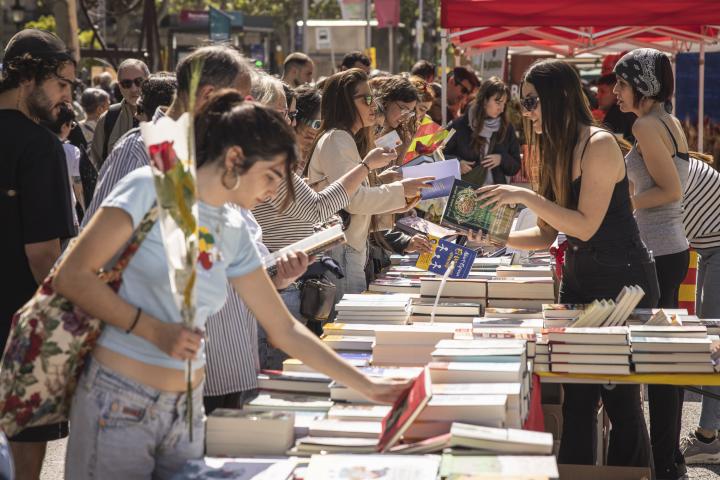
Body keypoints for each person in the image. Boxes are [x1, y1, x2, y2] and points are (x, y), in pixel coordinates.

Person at [56, 90, 407, 479]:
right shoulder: (150, 187)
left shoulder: (235, 225)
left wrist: (369, 387)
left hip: (186, 409)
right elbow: (71, 276)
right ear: (235, 159)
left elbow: (283, 328)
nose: (276, 191)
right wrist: (152, 329)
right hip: (119, 400)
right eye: (272, 176)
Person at [475, 59, 658, 470]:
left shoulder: (598, 144)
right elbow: (545, 233)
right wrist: (493, 237)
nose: (526, 113)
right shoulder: (552, 147)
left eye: (531, 102)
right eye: (522, 104)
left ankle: (634, 474)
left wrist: (524, 197)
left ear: (556, 99)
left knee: (620, 400)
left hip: (620, 283)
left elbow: (586, 226)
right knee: (576, 397)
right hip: (578, 280)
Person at [0, 28, 76, 480]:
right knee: (26, 456)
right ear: (29, 77)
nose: (65, 98)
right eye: (61, 84)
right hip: (24, 327)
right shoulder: (41, 147)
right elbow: (43, 254)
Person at [614, 48, 690, 480]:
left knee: (658, 360)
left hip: (659, 251)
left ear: (641, 85)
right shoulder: (664, 118)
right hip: (668, 248)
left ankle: (663, 460)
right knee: (664, 358)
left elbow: (671, 188)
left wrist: (623, 205)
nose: (616, 92)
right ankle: (666, 458)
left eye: (622, 83)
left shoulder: (645, 124)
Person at [83, 45, 255, 224]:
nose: (245, 113)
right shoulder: (138, 150)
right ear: (208, 95)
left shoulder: (214, 153)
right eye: (241, 102)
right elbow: (97, 239)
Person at [306, 69, 431, 298]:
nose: (373, 104)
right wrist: (400, 191)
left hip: (347, 247)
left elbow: (353, 193)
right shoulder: (338, 138)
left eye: (373, 96)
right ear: (346, 102)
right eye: (366, 98)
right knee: (345, 326)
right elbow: (354, 201)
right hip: (341, 249)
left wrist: (394, 195)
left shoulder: (344, 138)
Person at [679, 154, 720, 465]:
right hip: (709, 249)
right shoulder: (673, 162)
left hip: (715, 249)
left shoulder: (668, 172)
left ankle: (708, 436)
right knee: (711, 339)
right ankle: (710, 434)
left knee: (713, 343)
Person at [445, 76, 521, 186]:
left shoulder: (507, 128)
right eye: (498, 102)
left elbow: (515, 167)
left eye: (504, 103)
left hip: (496, 195)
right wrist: (457, 163)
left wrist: (501, 159)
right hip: (464, 195)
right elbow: (437, 154)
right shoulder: (458, 125)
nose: (502, 109)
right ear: (485, 100)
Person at [89, 58, 149, 169]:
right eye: (127, 83)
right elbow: (95, 163)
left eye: (139, 81)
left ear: (148, 81)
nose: (133, 88)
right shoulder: (108, 118)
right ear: (120, 86)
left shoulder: (161, 118)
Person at [44, 103, 85, 227]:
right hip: (67, 216)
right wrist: (85, 208)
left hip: (40, 215)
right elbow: (78, 186)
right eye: (71, 125)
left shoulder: (34, 148)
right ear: (63, 127)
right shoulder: (71, 151)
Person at [595, 73, 636, 141]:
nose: (598, 96)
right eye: (598, 91)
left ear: (616, 93)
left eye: (602, 92)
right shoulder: (628, 112)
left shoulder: (616, 115)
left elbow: (615, 146)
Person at [293, 84, 322, 169]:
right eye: (307, 121)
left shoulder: (319, 161)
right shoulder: (280, 158)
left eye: (318, 124)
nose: (312, 129)